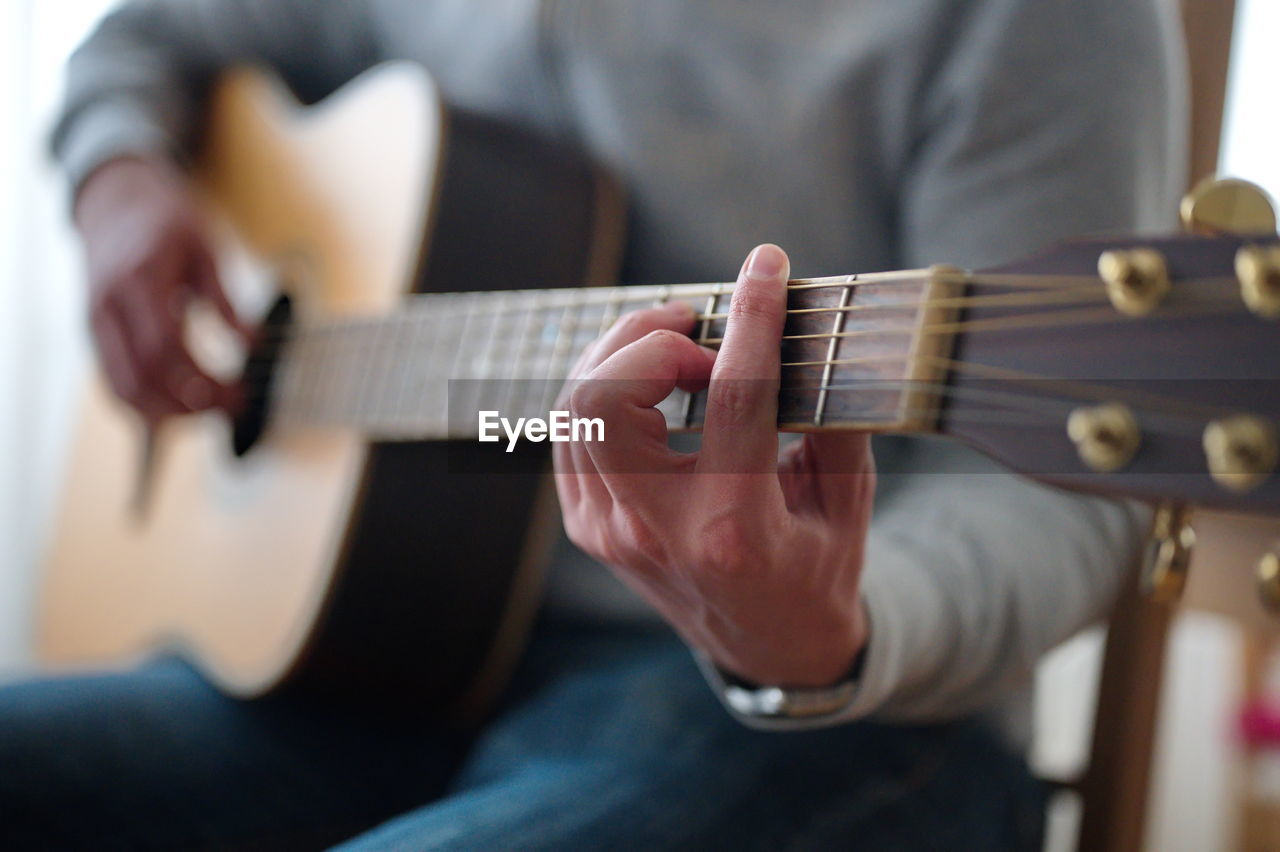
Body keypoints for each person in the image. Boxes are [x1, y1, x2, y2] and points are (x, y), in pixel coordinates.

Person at [2, 0, 1184, 848]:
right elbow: (150, 34)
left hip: (816, 721)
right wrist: (117, 177)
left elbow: (1067, 486)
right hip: (366, 651)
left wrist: (824, 636)